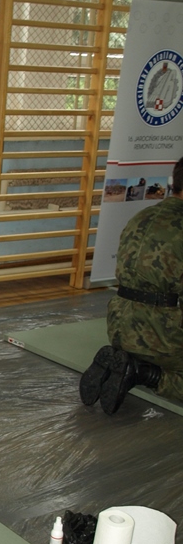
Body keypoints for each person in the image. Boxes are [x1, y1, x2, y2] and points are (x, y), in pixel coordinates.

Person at [80, 155, 183, 415]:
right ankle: (144, 373)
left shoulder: (143, 216)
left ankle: (123, 362)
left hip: (119, 325)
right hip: (162, 334)